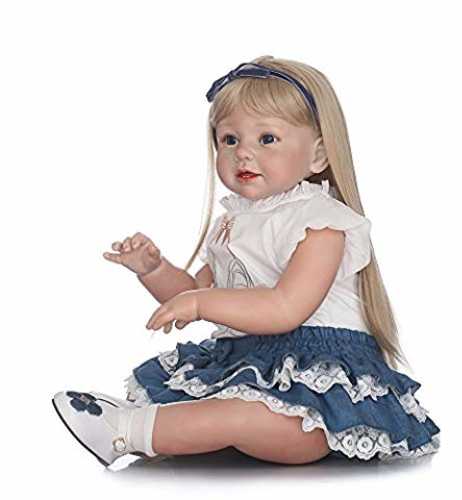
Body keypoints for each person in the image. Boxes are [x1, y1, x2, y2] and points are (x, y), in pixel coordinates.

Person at [52, 55, 441, 468]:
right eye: (229, 139)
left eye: (267, 138)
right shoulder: (232, 222)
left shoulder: (321, 223)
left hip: (315, 386)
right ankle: (153, 424)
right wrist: (154, 271)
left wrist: (200, 303)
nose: (244, 154)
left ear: (318, 154)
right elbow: (192, 293)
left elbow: (285, 308)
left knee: (246, 417)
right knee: (218, 408)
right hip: (248, 360)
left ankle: (125, 431)